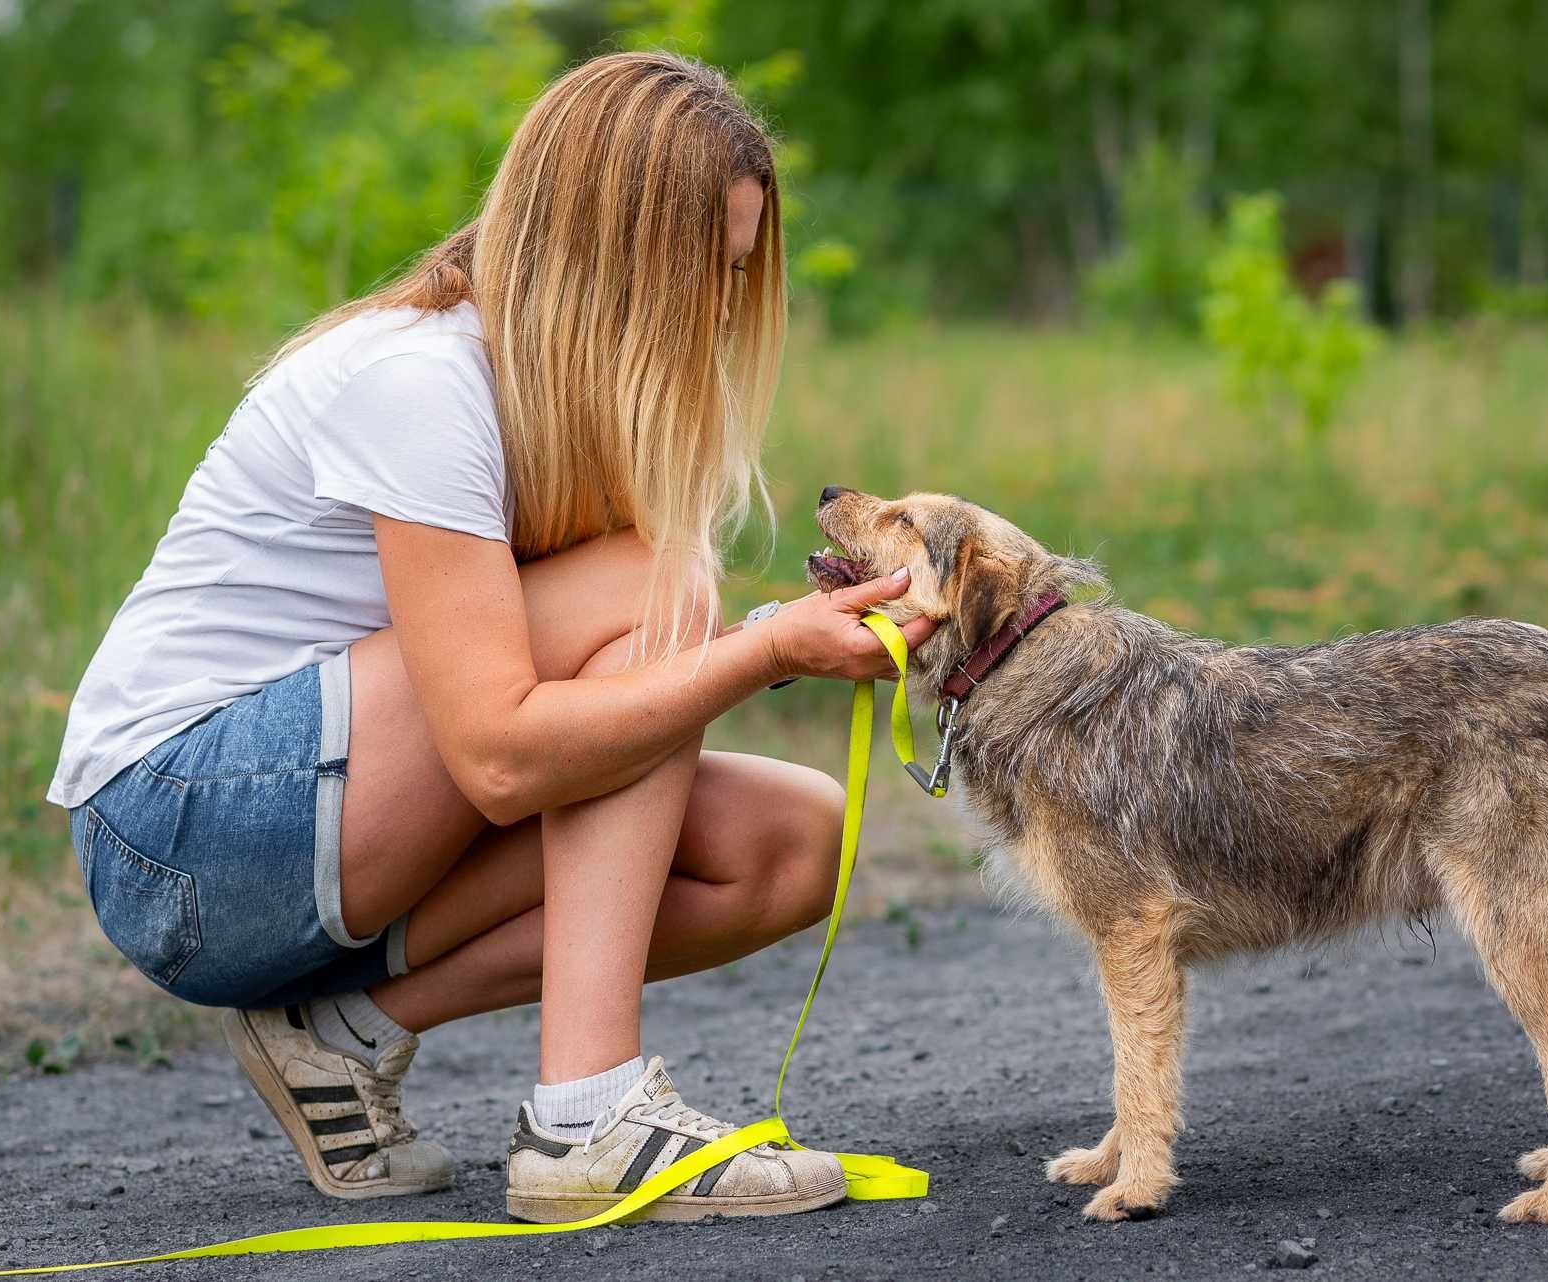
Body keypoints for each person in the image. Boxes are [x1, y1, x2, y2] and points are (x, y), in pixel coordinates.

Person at [46, 51, 932, 1223]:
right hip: (177, 827)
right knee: (665, 589)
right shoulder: (421, 382)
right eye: (706, 272)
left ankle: (342, 1031)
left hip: (331, 810)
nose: (723, 309)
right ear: (615, 253)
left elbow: (579, 691)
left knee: (787, 842)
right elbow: (504, 756)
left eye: (733, 272)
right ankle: (589, 1118)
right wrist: (758, 651)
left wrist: (779, 633)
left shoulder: (545, 394)